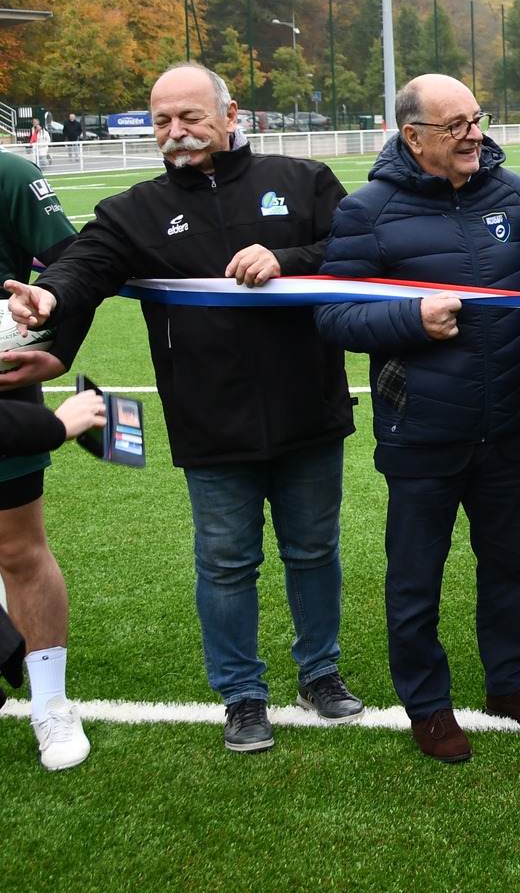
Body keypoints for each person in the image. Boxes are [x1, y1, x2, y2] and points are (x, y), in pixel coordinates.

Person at [6, 63, 362, 757]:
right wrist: (50, 298)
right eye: (162, 119)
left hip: (308, 406)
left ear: (231, 114)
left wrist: (286, 258)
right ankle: (241, 692)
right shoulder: (133, 210)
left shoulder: (302, 181)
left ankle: (319, 671)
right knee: (226, 561)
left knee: (313, 549)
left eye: (191, 116)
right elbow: (85, 263)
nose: (176, 132)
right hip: (210, 417)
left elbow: (354, 252)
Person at [315, 75, 520, 763]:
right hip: (421, 428)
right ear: (413, 136)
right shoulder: (368, 210)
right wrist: (411, 317)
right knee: (416, 576)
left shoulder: (510, 194)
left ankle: (508, 682)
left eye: (475, 119)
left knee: (511, 563)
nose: (472, 134)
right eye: (454, 124)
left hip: (507, 421)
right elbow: (333, 313)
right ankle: (428, 704)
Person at [0, 151, 99, 770]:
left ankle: (51, 702)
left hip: (5, 390)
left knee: (16, 547)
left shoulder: (6, 175)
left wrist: (55, 348)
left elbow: (74, 264)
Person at [0, 387, 104, 725]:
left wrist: (41, 334)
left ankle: (50, 704)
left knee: (18, 550)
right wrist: (53, 426)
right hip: (14, 419)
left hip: (10, 397)